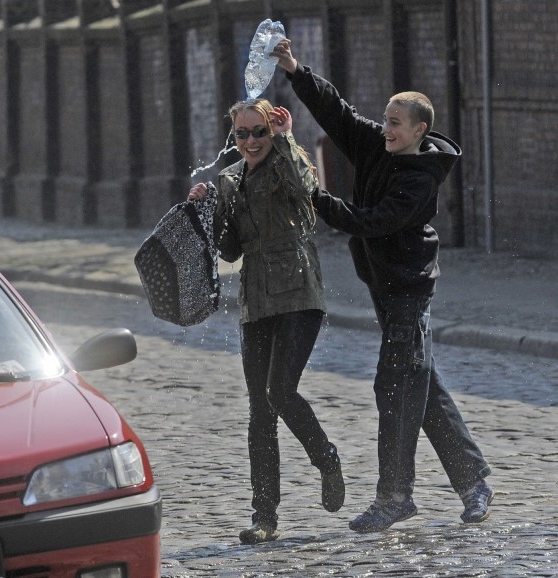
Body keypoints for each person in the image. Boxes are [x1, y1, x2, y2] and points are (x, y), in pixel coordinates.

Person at [272, 39, 493, 533]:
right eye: (387, 120)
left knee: (394, 384)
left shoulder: (419, 179)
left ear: (419, 130)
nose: (386, 128)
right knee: (419, 384)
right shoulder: (376, 143)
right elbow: (338, 112)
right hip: (382, 283)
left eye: (396, 123)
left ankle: (395, 496)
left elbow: (371, 222)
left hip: (409, 288)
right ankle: (473, 480)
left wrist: (315, 197)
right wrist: (294, 69)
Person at [187, 99, 344, 544]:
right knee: (260, 412)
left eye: (259, 132)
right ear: (232, 137)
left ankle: (326, 459)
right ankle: (265, 518)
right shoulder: (230, 180)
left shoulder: (286, 162)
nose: (251, 141)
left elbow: (304, 190)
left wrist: (288, 136)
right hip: (256, 299)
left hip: (297, 291)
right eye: (242, 134)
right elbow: (231, 249)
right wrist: (206, 208)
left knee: (281, 390)